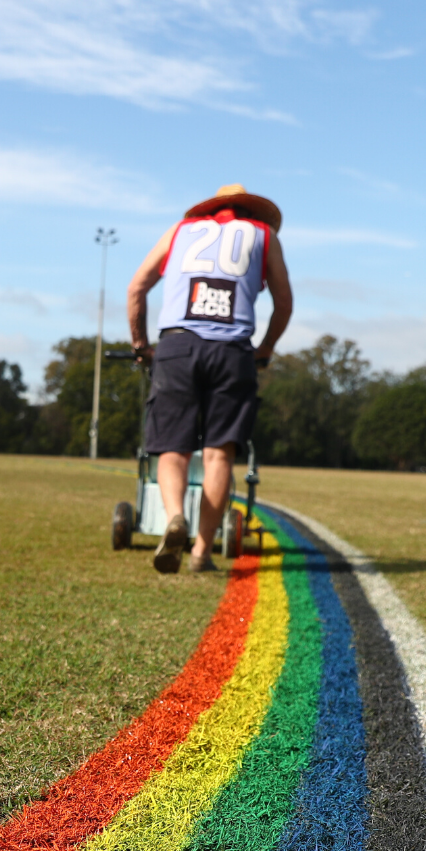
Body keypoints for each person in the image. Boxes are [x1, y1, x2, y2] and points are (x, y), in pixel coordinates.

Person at [127, 184, 292, 574]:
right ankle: (202, 552)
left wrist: (140, 344)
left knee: (173, 449)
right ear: (253, 213)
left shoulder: (180, 231)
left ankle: (173, 518)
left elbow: (137, 288)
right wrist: (264, 349)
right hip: (232, 351)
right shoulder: (264, 236)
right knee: (219, 454)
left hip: (178, 347)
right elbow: (283, 302)